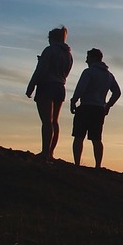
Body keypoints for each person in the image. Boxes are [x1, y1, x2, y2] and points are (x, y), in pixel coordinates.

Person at [25, 26, 73, 160]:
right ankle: (50, 152)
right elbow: (67, 73)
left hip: (47, 86)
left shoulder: (49, 51)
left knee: (46, 121)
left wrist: (31, 86)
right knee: (55, 122)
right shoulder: (68, 55)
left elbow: (41, 70)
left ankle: (45, 151)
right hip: (60, 87)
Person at [69, 47, 122, 169]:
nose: (86, 61)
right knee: (96, 139)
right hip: (99, 109)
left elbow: (81, 88)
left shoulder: (88, 72)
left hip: (86, 106)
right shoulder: (109, 75)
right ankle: (98, 165)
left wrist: (74, 100)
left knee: (78, 136)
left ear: (93, 58)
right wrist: (108, 105)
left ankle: (77, 163)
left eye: (88, 58)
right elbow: (117, 92)